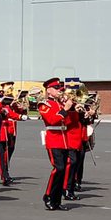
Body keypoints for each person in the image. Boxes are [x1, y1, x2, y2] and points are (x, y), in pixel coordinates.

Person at [37, 77, 73, 211]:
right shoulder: (44, 104)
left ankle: (56, 201)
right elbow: (52, 120)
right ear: (49, 90)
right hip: (54, 139)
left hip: (64, 140)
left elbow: (68, 122)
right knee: (59, 169)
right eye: (56, 89)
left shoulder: (59, 104)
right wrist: (65, 109)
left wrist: (70, 108)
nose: (59, 91)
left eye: (60, 89)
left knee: (62, 172)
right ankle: (48, 195)